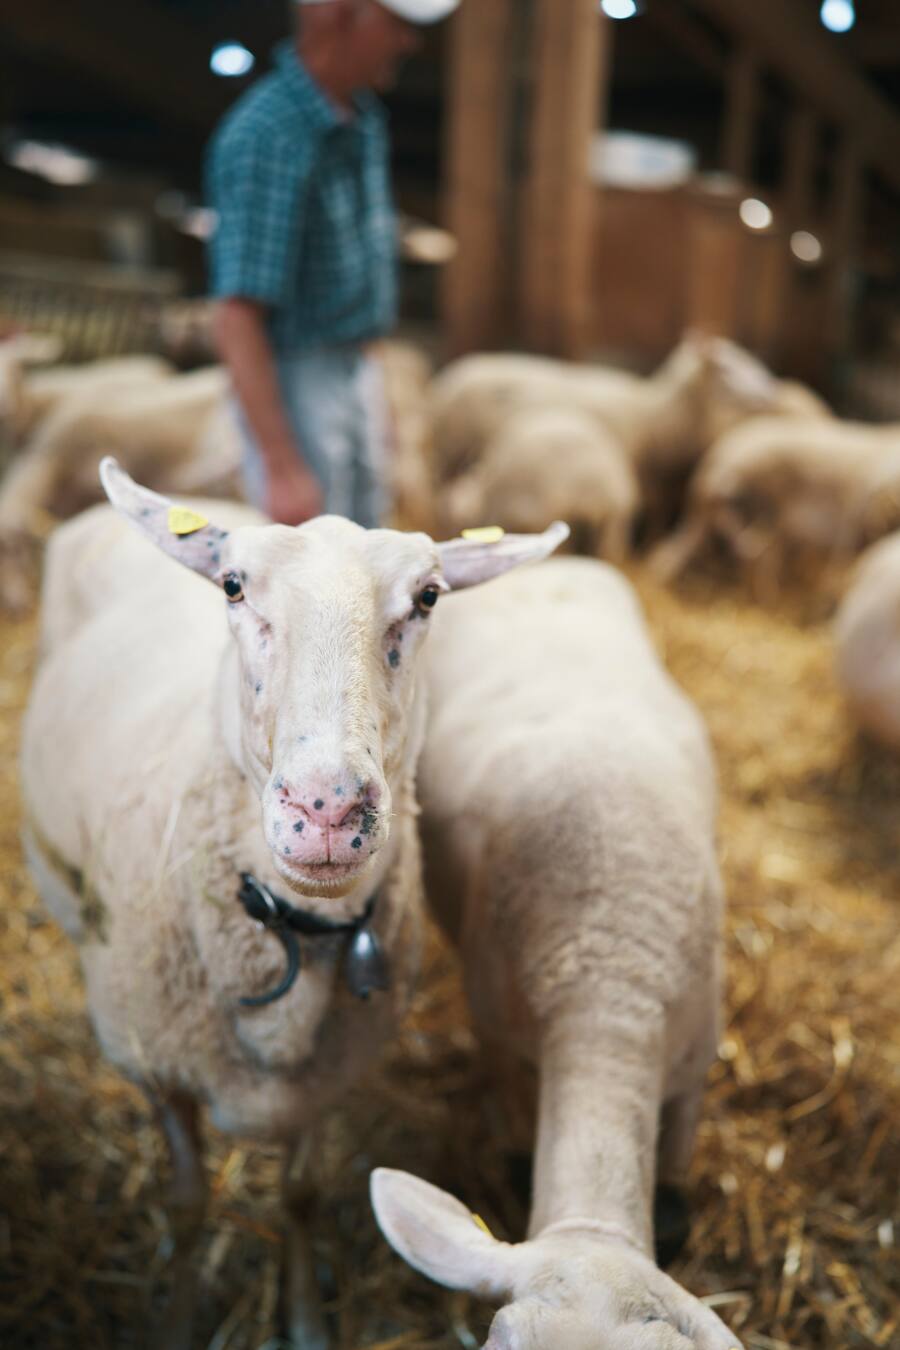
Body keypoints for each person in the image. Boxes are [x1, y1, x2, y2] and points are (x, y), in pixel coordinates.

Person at [206, 0, 460, 527]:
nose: (408, 42)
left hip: (354, 364)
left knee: (365, 544)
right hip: (297, 374)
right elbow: (237, 314)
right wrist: (281, 465)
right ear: (337, 13)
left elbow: (358, 275)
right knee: (317, 563)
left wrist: (380, 394)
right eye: (395, 23)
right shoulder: (270, 135)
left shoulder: (360, 121)